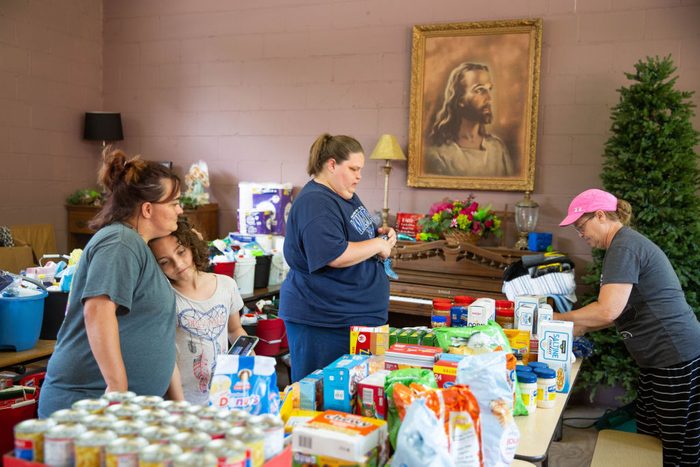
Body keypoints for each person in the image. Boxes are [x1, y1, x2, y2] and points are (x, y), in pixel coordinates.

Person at [556, 188, 700, 465]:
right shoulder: (623, 245)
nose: (580, 234)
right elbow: (619, 311)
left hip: (674, 358)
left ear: (600, 215)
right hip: (661, 359)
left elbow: (608, 309)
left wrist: (556, 319)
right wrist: (584, 327)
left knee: (675, 448)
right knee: (649, 440)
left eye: (580, 226)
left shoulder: (624, 246)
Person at [39, 149, 183, 417]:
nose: (180, 209)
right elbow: (98, 310)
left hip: (124, 410)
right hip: (91, 404)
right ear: (148, 209)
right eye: (174, 202)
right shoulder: (120, 242)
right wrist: (117, 389)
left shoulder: (137, 245)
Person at [280, 134, 397, 382]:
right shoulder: (315, 201)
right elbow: (334, 254)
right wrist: (377, 245)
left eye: (360, 169)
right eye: (353, 168)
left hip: (352, 317)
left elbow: (353, 235)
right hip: (325, 322)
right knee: (322, 399)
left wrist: (380, 235)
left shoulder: (342, 194)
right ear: (331, 164)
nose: (359, 176)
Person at [149, 217, 248, 405]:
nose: (178, 264)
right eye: (164, 262)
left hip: (224, 393)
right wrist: (180, 405)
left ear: (192, 246)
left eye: (181, 252)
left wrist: (248, 359)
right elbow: (167, 359)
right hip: (185, 400)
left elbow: (234, 330)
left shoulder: (226, 285)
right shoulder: (165, 298)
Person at [425, 62, 513, 177]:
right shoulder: (438, 153)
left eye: (489, 89)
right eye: (479, 90)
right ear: (459, 99)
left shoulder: (497, 148)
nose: (489, 99)